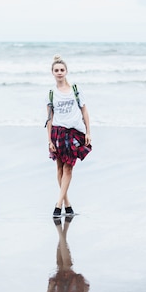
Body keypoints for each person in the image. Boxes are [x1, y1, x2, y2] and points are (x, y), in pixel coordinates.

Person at [45, 54, 92, 217]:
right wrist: (49, 139)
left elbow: (84, 111)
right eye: (56, 70)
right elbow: (49, 118)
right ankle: (67, 204)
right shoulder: (51, 93)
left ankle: (58, 206)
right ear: (52, 72)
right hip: (58, 132)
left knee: (69, 168)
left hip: (74, 132)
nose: (59, 72)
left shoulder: (75, 90)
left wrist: (88, 132)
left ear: (66, 71)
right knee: (59, 168)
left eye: (62, 70)